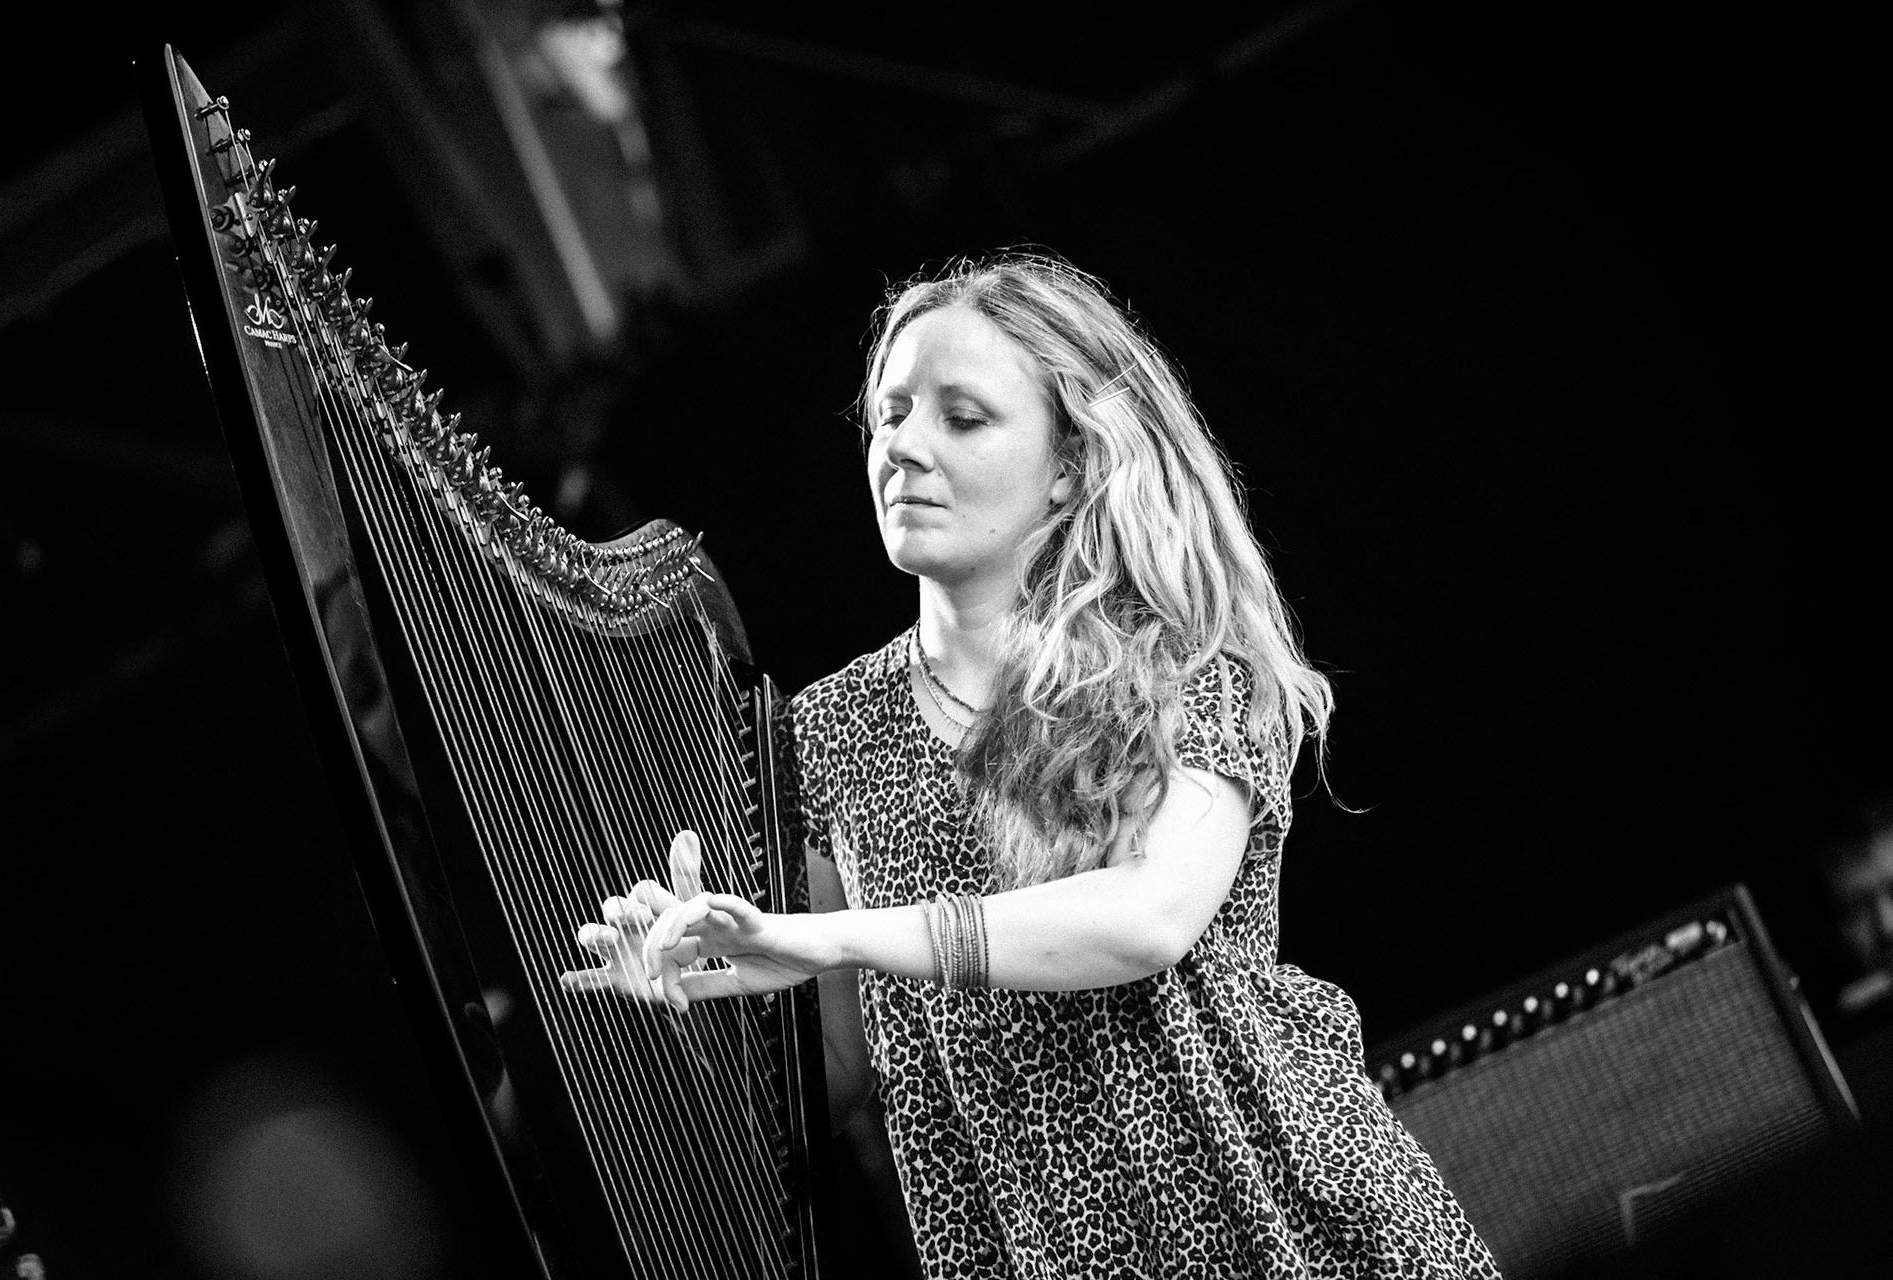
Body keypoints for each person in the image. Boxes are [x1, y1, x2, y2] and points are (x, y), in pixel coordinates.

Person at [562, 251, 1501, 1278]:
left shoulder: (1184, 658)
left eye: (961, 417)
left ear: (1066, 462)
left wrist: (832, 933)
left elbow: (1145, 918)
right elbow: (834, 1071)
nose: (904, 447)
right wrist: (700, 994)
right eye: (890, 414)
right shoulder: (826, 729)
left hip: (1275, 1217)